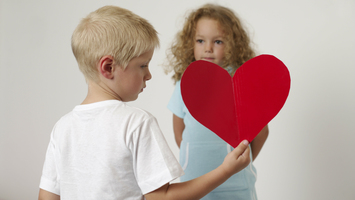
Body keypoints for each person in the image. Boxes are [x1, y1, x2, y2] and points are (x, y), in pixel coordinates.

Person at [38, 5, 251, 200]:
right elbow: (161, 198)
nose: (148, 75)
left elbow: (46, 197)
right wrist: (225, 170)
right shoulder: (137, 123)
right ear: (108, 68)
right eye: (142, 66)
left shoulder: (62, 128)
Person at [165, 4, 269, 200]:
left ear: (234, 45)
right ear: (190, 44)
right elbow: (179, 130)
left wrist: (242, 158)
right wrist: (191, 155)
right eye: (200, 40)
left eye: (218, 41)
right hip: (195, 181)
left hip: (237, 183)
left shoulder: (241, 85)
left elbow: (261, 130)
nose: (208, 48)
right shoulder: (184, 84)